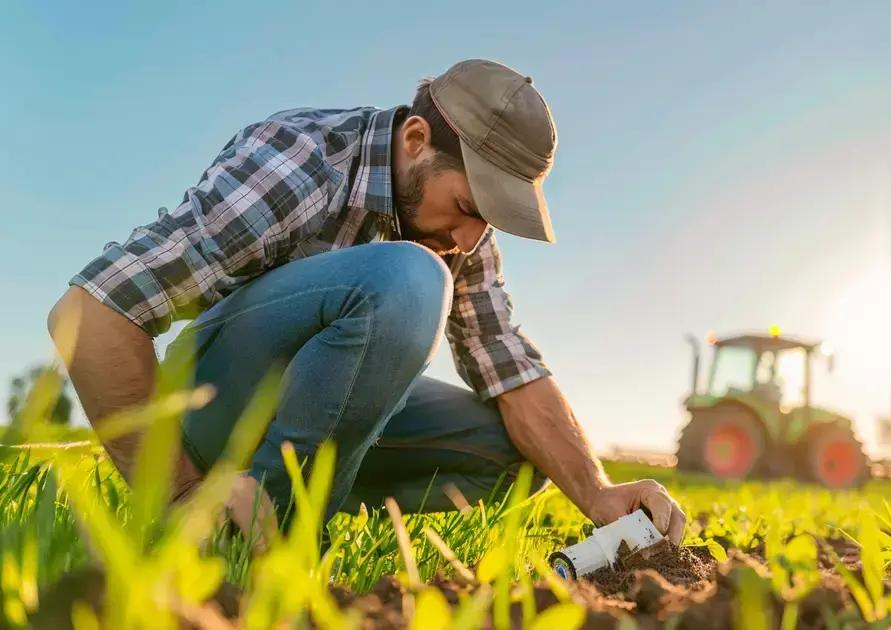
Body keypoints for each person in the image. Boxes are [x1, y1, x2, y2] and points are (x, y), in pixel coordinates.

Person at [47, 59, 686, 544]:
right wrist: (179, 494)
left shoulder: (463, 235)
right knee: (410, 278)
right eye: (467, 207)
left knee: (512, 457)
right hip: (214, 402)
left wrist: (598, 493)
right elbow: (92, 313)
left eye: (487, 222)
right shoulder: (298, 161)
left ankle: (285, 508)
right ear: (414, 140)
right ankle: (237, 532)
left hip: (321, 413)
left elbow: (506, 363)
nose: (470, 238)